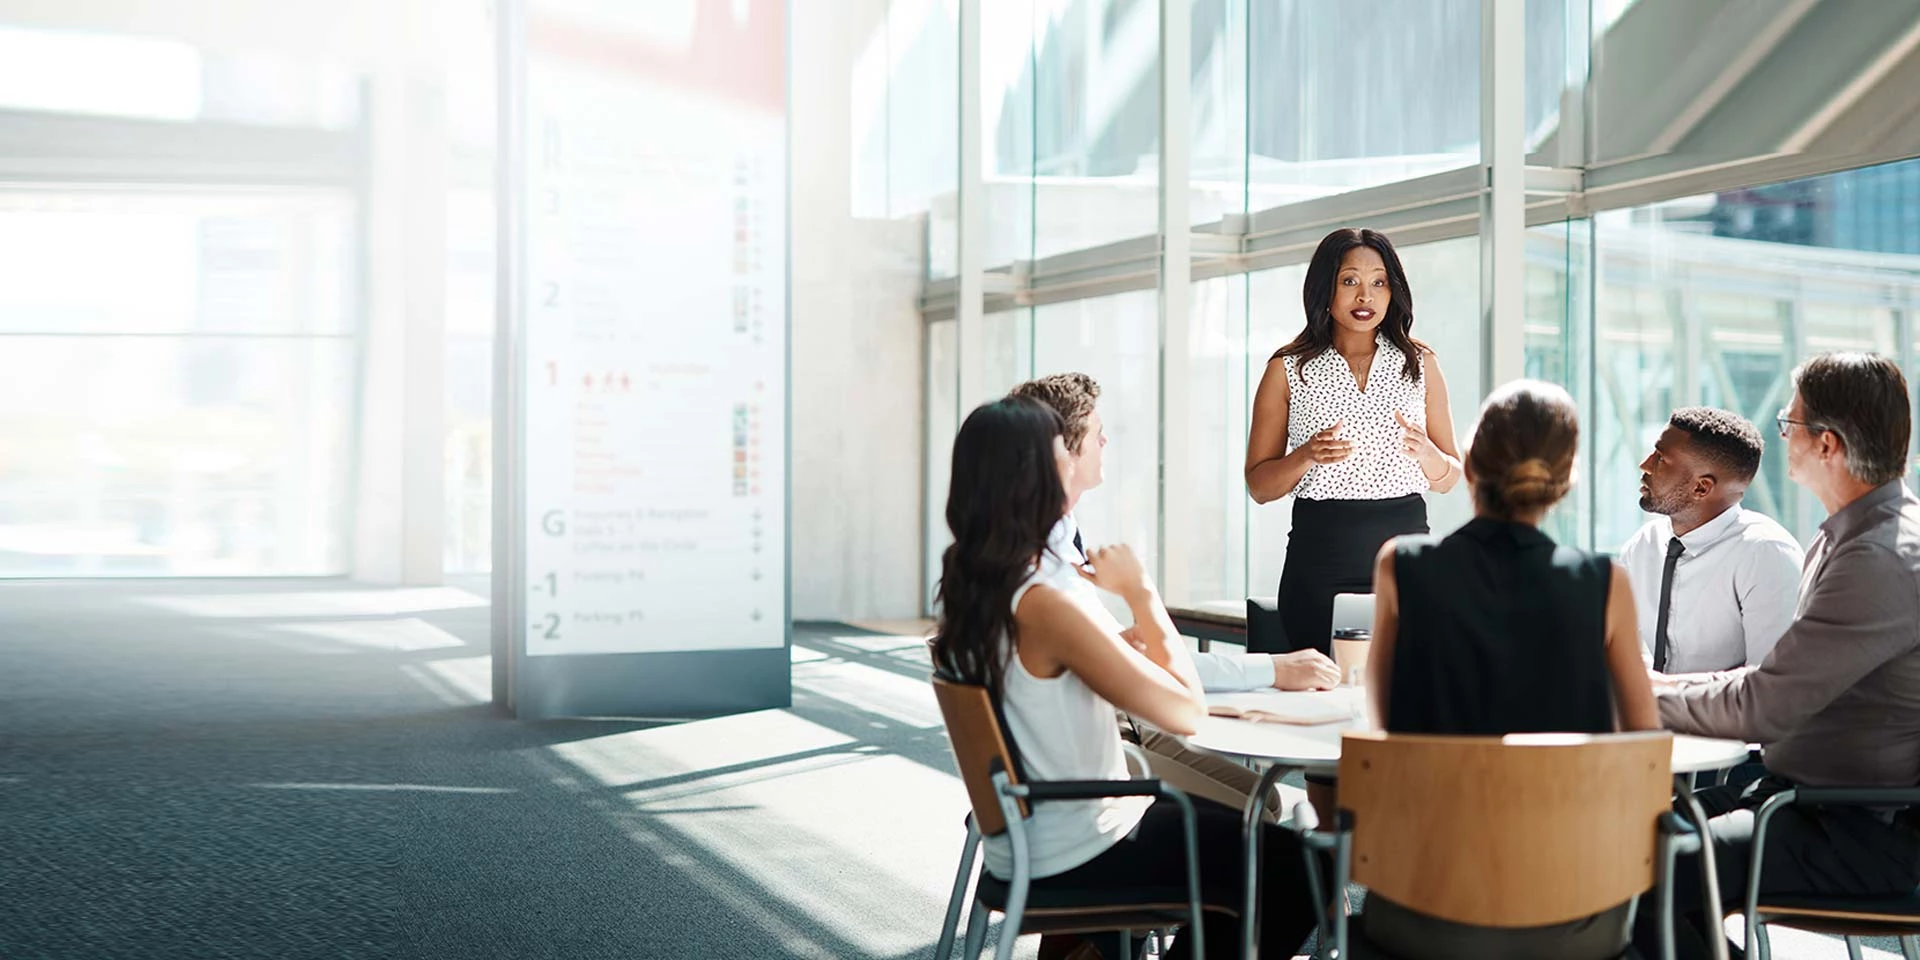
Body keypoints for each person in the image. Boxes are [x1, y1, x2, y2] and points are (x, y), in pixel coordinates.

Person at [931, 395, 1318, 960]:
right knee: (1301, 870)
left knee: (1259, 851)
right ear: (1035, 474)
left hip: (1039, 832)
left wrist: (1120, 644)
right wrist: (1143, 595)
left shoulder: (981, 582)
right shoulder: (1043, 599)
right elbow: (1185, 712)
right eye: (1061, 451)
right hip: (1083, 844)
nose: (1072, 459)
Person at [1363, 380, 1660, 960]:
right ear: (1564, 481)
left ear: (1469, 464)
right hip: (1576, 916)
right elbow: (1643, 752)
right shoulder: (1605, 584)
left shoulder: (1401, 565)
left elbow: (1379, 731)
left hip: (1420, 909)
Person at [1639, 353, 1920, 960]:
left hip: (1853, 828)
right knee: (1625, 840)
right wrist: (1654, 690)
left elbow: (1767, 705)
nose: (1780, 434)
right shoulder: (1848, 534)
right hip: (1795, 798)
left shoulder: (1880, 557)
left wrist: (1639, 697)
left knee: (1641, 874)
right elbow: (1775, 680)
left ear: (1827, 445)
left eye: (1789, 424)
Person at [1011, 373, 1340, 820]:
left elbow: (1128, 662)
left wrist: (1121, 646)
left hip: (1104, 732)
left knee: (1268, 799)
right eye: (1094, 433)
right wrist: (1140, 591)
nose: (1105, 440)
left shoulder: (1050, 550)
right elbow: (1179, 704)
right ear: (1061, 453)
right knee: (1260, 816)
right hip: (1091, 764)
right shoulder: (1047, 579)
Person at [1246, 227, 1463, 655]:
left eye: (1379, 282)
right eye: (1350, 281)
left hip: (1406, 564)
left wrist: (1427, 453)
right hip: (1320, 564)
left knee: (1404, 692)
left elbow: (1449, 477)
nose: (1365, 296)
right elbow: (1259, 485)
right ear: (1325, 289)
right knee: (1324, 687)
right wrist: (1306, 455)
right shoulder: (1288, 368)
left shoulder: (1420, 363)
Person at [1620, 407, 1801, 674]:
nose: (1645, 465)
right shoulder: (1642, 546)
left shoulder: (1766, 555)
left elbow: (1773, 686)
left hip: (1723, 716)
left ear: (1701, 487)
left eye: (1661, 459)